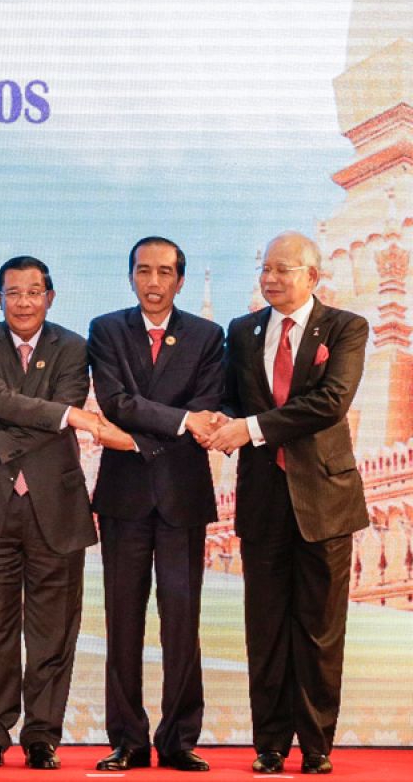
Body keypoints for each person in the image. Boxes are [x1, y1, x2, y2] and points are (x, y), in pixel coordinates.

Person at [0, 255, 132, 771]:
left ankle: (41, 737)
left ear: (50, 297)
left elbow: (52, 417)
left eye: (34, 292)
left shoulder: (73, 347)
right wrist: (69, 416)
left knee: (54, 631)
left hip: (56, 507)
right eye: (13, 293)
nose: (24, 302)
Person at [202, 231, 370, 776]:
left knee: (320, 629)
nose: (270, 278)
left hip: (325, 499)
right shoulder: (243, 330)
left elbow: (330, 402)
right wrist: (220, 420)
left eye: (282, 270)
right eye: (265, 270)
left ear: (312, 276)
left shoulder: (345, 327)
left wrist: (249, 429)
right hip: (263, 500)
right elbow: (231, 399)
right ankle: (269, 744)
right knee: (267, 628)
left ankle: (317, 745)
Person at [87, 237, 224, 773]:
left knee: (181, 622)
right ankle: (127, 739)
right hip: (124, 498)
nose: (153, 281)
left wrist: (150, 433)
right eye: (144, 270)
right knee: (123, 622)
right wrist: (180, 423)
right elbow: (116, 402)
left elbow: (207, 407)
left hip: (182, 496)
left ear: (180, 281)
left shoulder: (208, 336)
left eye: (165, 272)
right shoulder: (106, 330)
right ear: (131, 277)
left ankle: (178, 738)